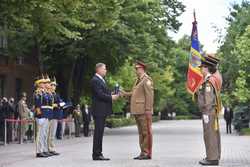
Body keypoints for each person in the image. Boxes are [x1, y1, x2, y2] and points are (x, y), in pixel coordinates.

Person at [121, 61, 154, 160]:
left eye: (137, 68)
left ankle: (147, 153)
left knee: (146, 132)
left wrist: (148, 109)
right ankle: (142, 152)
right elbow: (135, 93)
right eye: (135, 68)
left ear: (142, 69)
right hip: (137, 110)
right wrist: (125, 93)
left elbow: (150, 96)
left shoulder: (147, 80)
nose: (136, 70)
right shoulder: (137, 80)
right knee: (141, 133)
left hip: (144, 110)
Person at [195, 54, 222, 166]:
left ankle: (212, 158)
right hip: (210, 112)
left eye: (202, 67)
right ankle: (212, 156)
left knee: (210, 135)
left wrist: (206, 112)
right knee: (212, 135)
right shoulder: (210, 79)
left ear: (206, 68)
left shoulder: (209, 81)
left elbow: (209, 100)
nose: (200, 69)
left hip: (209, 112)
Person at [90, 63, 119, 161]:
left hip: (101, 110)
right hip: (99, 110)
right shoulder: (95, 80)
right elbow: (99, 95)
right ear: (98, 69)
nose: (106, 70)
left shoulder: (100, 80)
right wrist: (111, 97)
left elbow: (103, 93)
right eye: (104, 69)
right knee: (98, 132)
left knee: (100, 132)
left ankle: (98, 153)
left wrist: (112, 93)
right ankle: (97, 154)